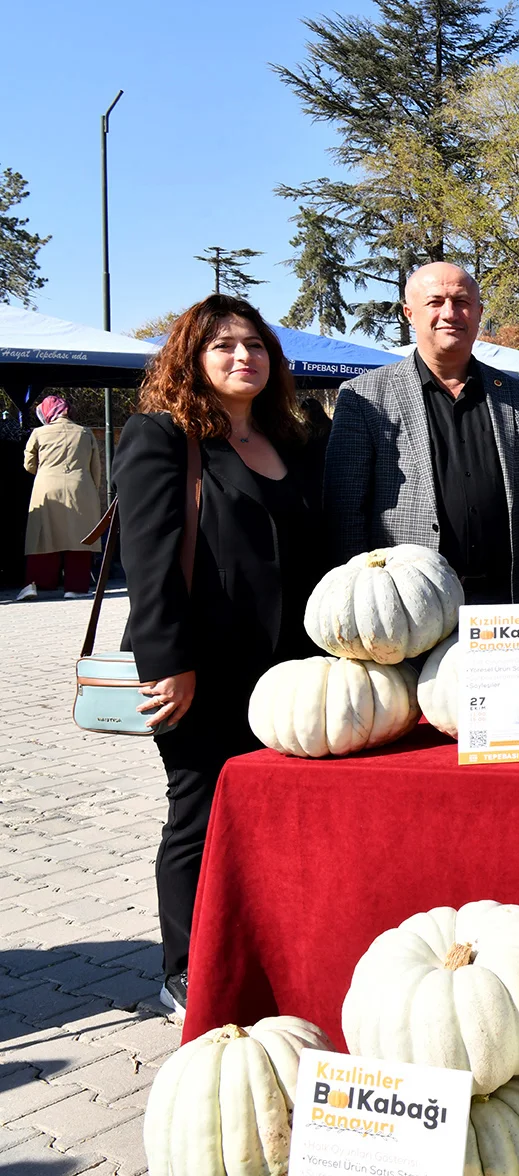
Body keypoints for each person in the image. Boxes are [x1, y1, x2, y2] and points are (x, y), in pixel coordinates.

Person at [112, 295, 329, 1016]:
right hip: (200, 669)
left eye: (256, 345)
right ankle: (183, 967)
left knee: (271, 815)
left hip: (289, 674)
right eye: (224, 346)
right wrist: (166, 661)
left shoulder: (289, 440)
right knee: (198, 813)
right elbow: (145, 563)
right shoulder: (161, 437)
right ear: (192, 360)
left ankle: (263, 950)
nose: (244, 357)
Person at [324, 262, 519, 604]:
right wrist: (360, 599)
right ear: (410, 313)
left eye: (462, 301)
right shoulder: (364, 397)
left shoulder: (517, 396)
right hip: (409, 605)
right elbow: (346, 511)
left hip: (505, 600)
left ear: (479, 312)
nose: (450, 313)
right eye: (435, 302)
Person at [20, 395, 104, 599]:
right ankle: (75, 588)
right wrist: (93, 491)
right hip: (80, 488)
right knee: (80, 539)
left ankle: (35, 585)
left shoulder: (39, 433)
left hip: (47, 489)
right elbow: (96, 469)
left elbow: (28, 465)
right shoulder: (85, 433)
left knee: (43, 537)